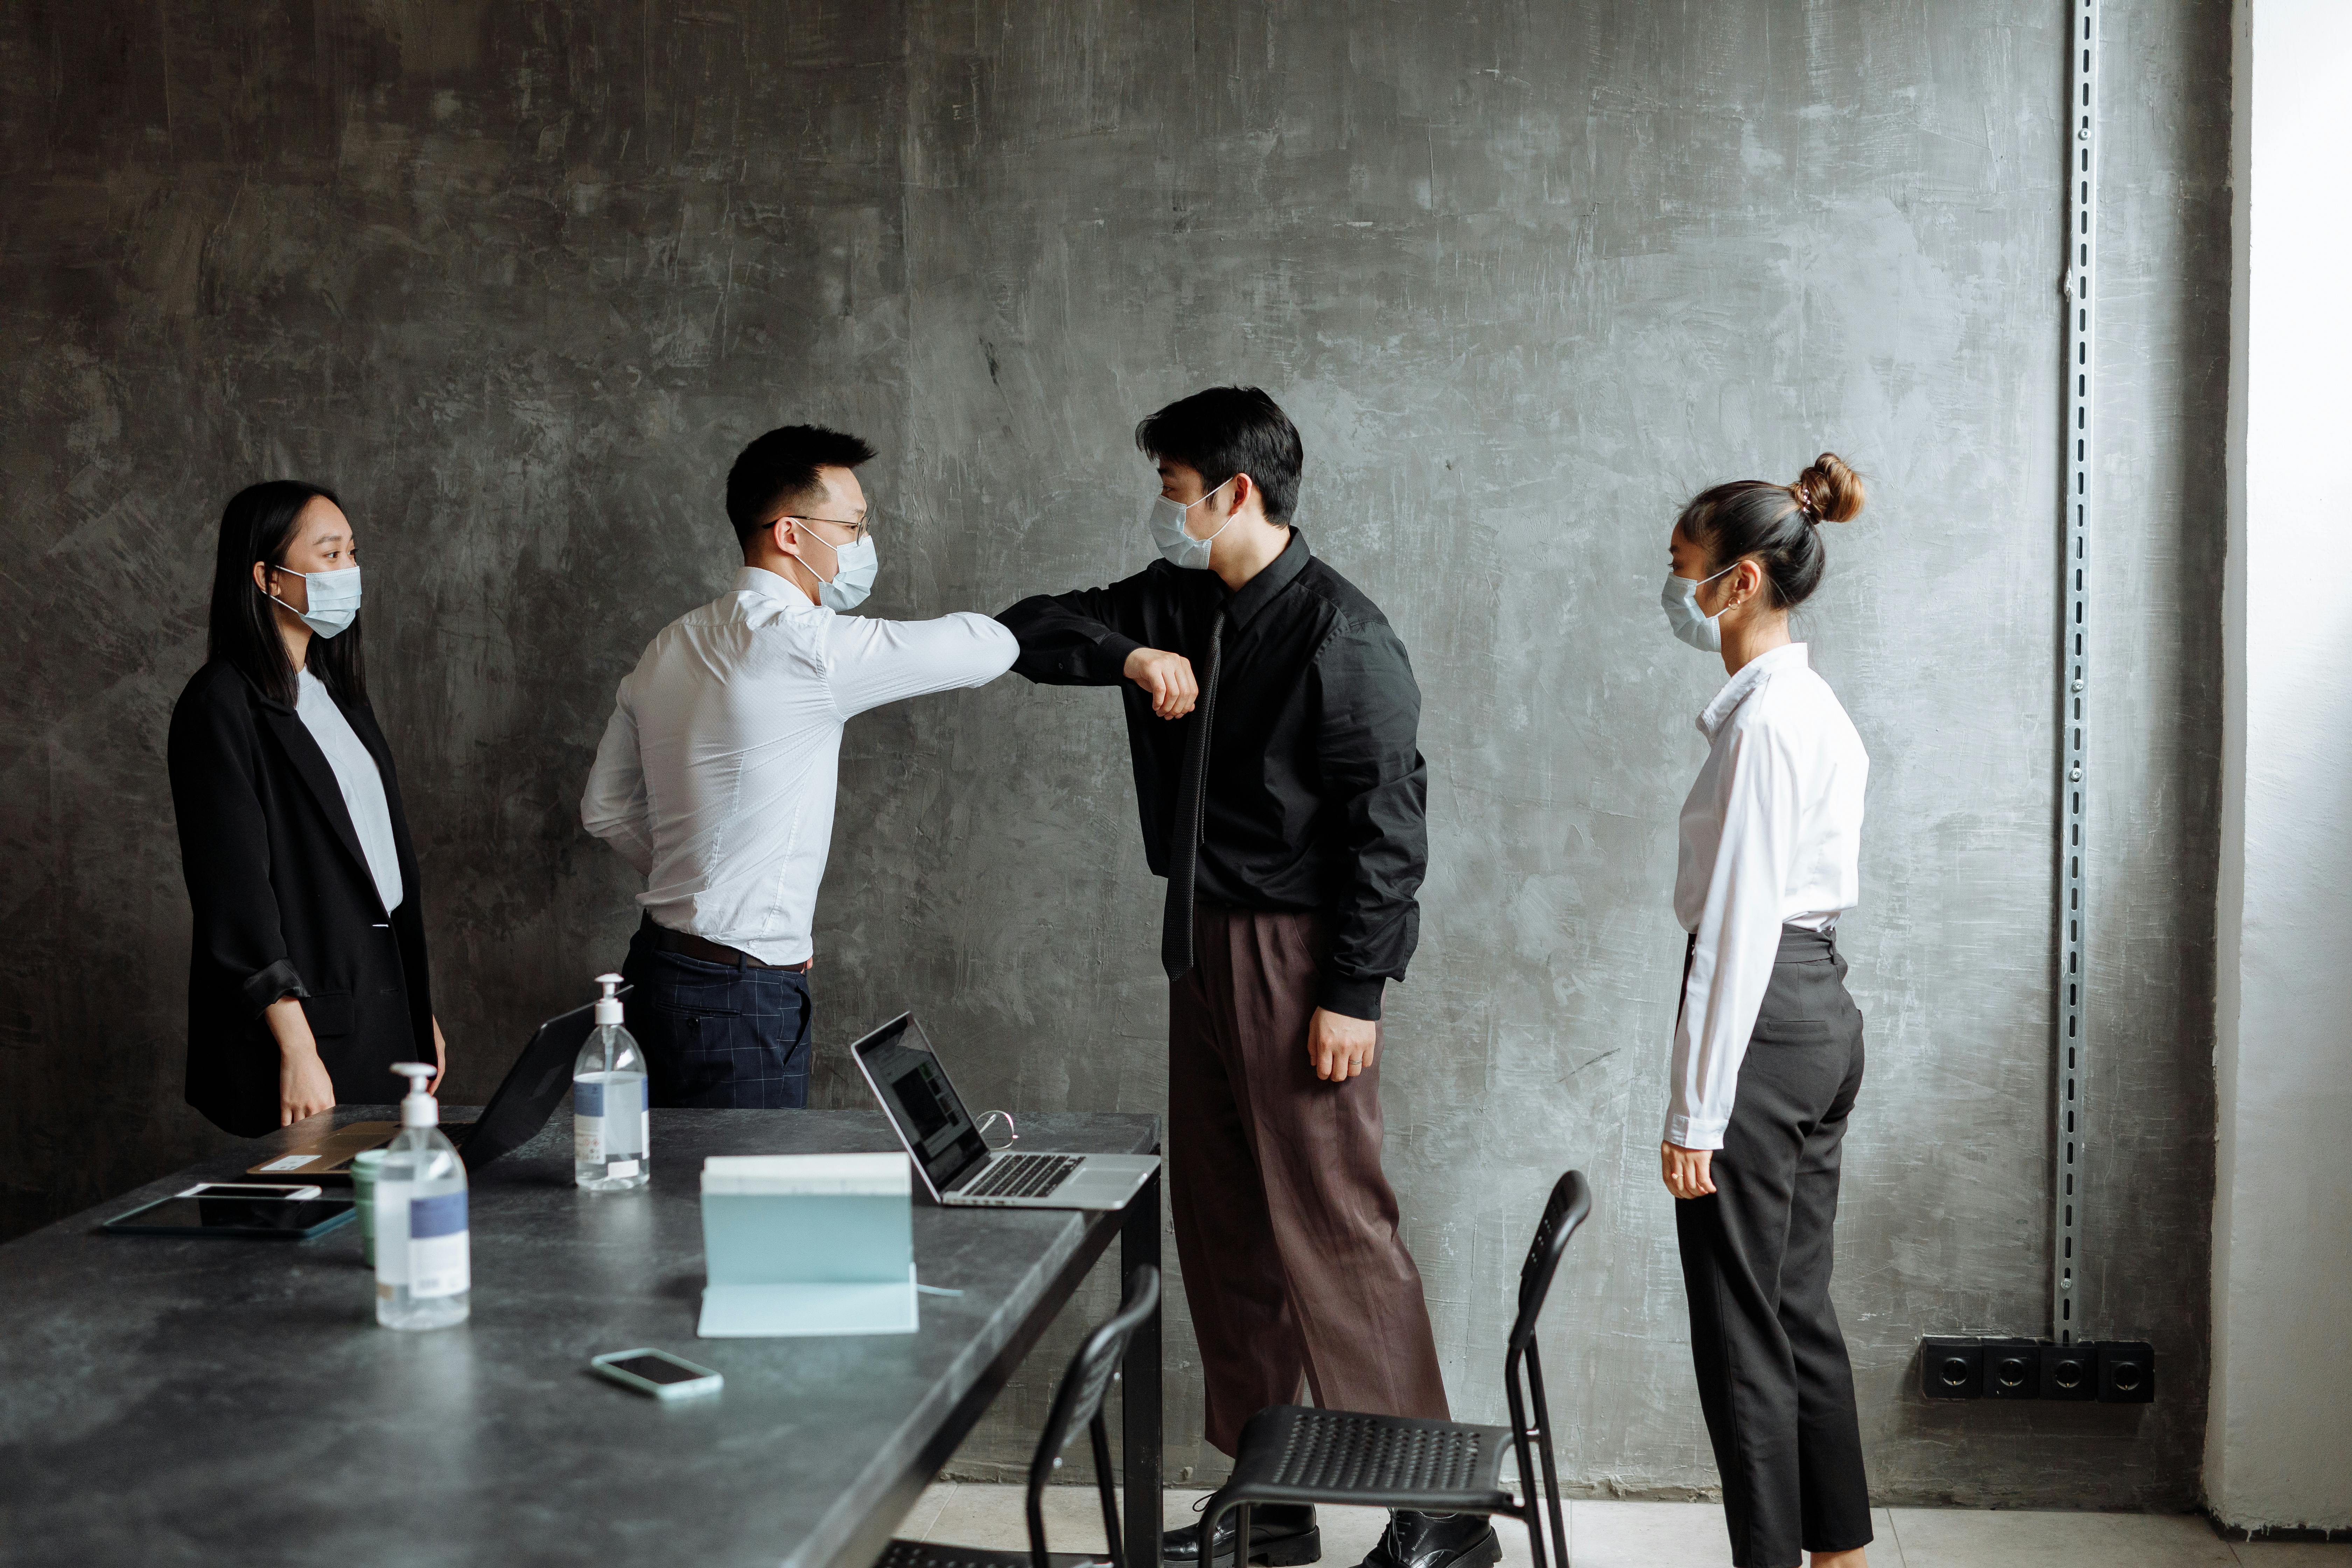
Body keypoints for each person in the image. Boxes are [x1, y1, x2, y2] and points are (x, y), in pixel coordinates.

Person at [998, 388, 1492, 1568]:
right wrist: (1128, 652)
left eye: (1174, 491)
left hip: (1299, 954)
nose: (1163, 511)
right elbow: (1028, 628)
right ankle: (1272, 1504)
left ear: (1236, 494)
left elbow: (1389, 829)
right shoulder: (1171, 600)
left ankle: (1444, 1511)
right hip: (1200, 942)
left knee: (1335, 1225)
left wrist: (1354, 994)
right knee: (1226, 1232)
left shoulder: (1343, 635)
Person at [580, 425, 1016, 1108]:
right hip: (741, 992)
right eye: (853, 526)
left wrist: (711, 890)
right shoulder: (806, 646)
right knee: (746, 1210)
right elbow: (984, 648)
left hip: (655, 970)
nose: (862, 546)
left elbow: (604, 808)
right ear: (790, 534)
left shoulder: (670, 644)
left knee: (664, 1201)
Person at [1656, 455, 1873, 1568]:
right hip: (1818, 1009)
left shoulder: (1767, 725)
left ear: (1739, 582)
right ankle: (1836, 1555)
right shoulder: (1810, 706)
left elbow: (1737, 925)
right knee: (1795, 1312)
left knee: (1741, 1329)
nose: (1677, 591)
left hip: (1767, 1016)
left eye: (1686, 570)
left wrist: (1696, 1112)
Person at [169, 481, 448, 1137]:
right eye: (329, 555)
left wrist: (418, 1009)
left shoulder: (336, 695)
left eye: (353, 552)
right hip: (307, 1035)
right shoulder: (221, 706)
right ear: (267, 576)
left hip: (377, 1015)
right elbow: (236, 899)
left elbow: (379, 866)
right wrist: (296, 1049)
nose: (349, 571)